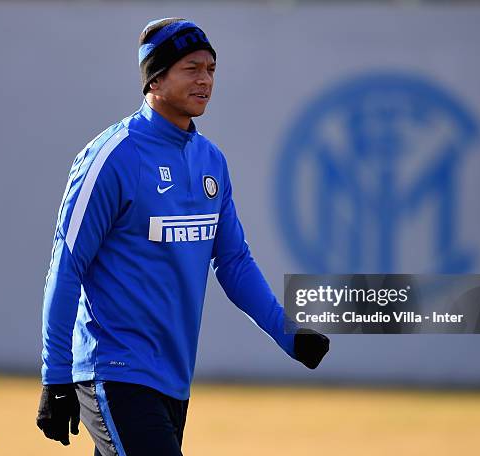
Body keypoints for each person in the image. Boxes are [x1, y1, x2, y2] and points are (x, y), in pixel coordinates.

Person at [36, 17, 330, 456]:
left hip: (173, 378)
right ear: (155, 77)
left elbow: (233, 262)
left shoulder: (211, 161)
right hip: (113, 371)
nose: (206, 80)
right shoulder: (113, 157)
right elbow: (66, 267)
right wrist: (55, 377)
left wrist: (286, 333)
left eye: (211, 69)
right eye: (192, 68)